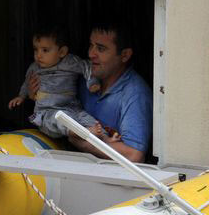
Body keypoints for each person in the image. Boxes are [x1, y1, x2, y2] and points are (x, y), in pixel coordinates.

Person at [29, 24, 152, 162]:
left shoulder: (135, 94)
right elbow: (54, 109)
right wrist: (36, 96)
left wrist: (81, 140)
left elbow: (134, 155)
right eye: (91, 45)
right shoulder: (82, 78)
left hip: (110, 179)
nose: (90, 54)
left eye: (100, 48)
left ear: (124, 55)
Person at [8, 30, 114, 141]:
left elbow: (87, 67)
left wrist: (92, 82)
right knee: (57, 120)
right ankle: (76, 132)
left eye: (45, 50)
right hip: (47, 110)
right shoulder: (34, 67)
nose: (38, 55)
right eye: (36, 50)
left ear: (62, 52)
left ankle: (107, 137)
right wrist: (21, 96)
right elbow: (27, 82)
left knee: (89, 120)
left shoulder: (70, 62)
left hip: (72, 108)